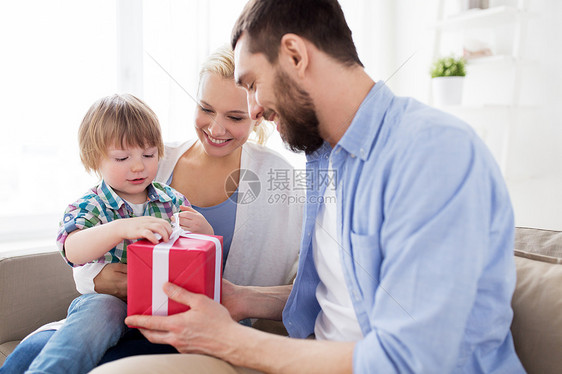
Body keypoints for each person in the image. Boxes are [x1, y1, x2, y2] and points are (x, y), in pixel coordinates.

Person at [91, 0, 525, 373]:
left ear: (295, 55)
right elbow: (337, 299)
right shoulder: (323, 159)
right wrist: (238, 298)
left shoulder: (432, 152)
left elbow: (411, 359)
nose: (254, 109)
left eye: (252, 85)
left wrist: (231, 341)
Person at [1, 46, 303, 372]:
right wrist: (96, 278)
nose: (216, 128)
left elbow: (317, 282)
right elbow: (84, 246)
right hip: (113, 312)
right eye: (205, 108)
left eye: (235, 117)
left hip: (187, 325)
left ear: (258, 114)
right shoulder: (151, 157)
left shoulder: (277, 181)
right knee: (30, 352)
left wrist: (208, 239)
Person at [19, 94, 214, 374]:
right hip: (110, 304)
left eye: (149, 155)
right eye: (122, 157)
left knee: (227, 317)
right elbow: (71, 249)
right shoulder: (90, 205)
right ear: (93, 159)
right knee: (101, 311)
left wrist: (204, 230)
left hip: (164, 303)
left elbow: (196, 251)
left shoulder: (171, 199)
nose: (138, 166)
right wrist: (120, 228)